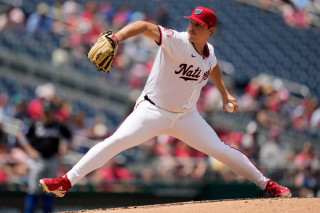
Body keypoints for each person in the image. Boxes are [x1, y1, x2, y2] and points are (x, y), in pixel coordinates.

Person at [39, 6, 291, 198]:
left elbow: (212, 67)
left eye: (199, 25)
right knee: (116, 141)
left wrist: (225, 94)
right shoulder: (176, 40)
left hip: (186, 117)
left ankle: (267, 184)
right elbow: (142, 26)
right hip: (152, 111)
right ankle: (65, 182)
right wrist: (116, 39)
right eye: (192, 22)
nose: (192, 27)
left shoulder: (210, 52)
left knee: (221, 151)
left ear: (210, 31)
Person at [19, 100, 72, 213]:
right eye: (46, 112)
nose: (48, 114)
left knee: (50, 190)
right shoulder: (36, 124)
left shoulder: (58, 125)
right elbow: (22, 136)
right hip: (38, 161)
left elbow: (69, 136)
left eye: (50, 112)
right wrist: (30, 150)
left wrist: (64, 148)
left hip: (52, 160)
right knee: (33, 190)